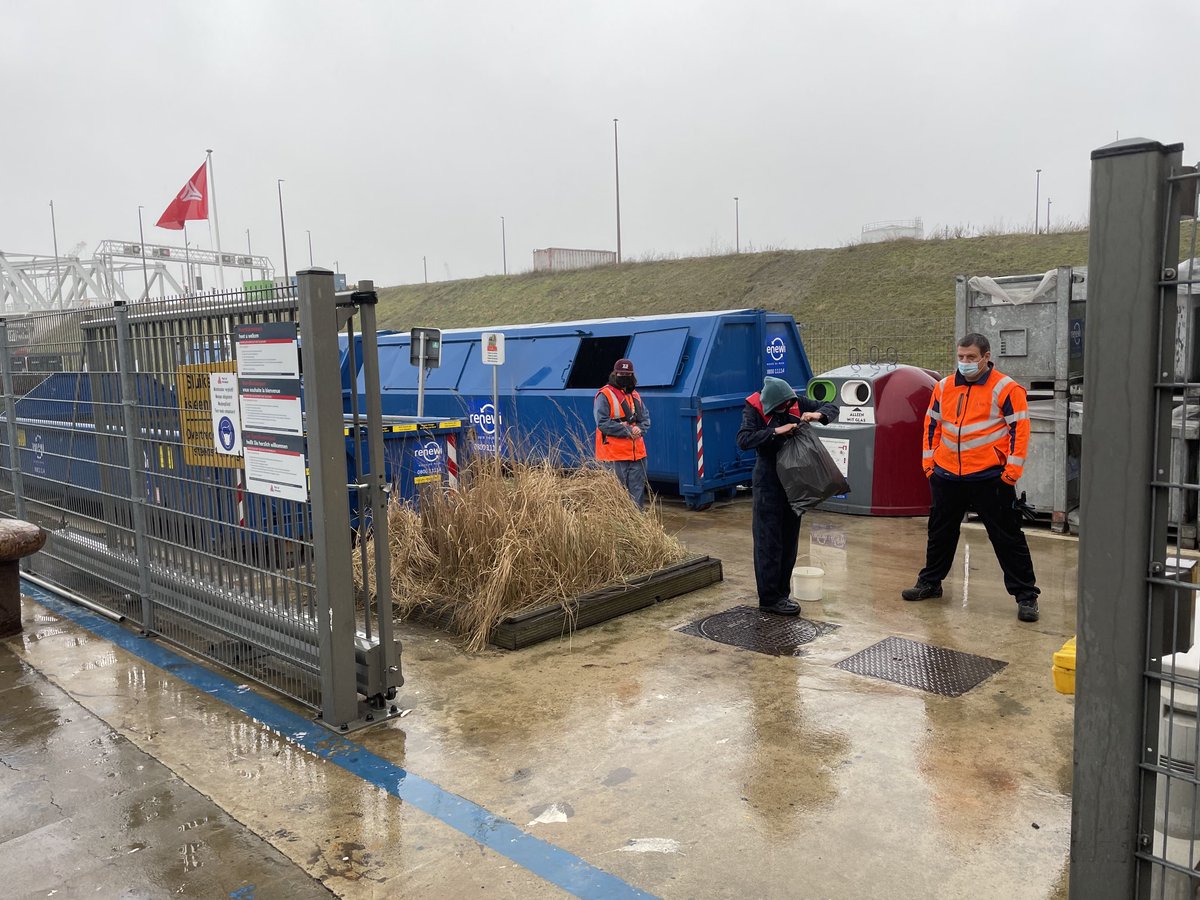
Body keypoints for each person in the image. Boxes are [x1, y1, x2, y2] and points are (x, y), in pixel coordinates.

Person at [901, 333, 1042, 621]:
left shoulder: (1006, 389)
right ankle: (930, 582)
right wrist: (930, 466)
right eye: (961, 356)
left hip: (991, 477)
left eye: (971, 358)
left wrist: (1010, 473)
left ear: (986, 357)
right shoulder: (943, 387)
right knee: (939, 533)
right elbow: (932, 426)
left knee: (1007, 538)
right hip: (946, 474)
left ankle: (1026, 595)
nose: (964, 362)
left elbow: (1020, 431)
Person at [736, 376, 838, 616]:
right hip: (768, 479)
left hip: (794, 480)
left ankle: (783, 594)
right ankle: (769, 598)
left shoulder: (795, 401)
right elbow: (744, 440)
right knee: (768, 541)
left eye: (786, 406)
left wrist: (818, 415)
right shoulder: (754, 407)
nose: (785, 410)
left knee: (789, 539)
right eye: (779, 408)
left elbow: (832, 406)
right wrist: (775, 431)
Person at [594, 358, 651, 508]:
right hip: (615, 455)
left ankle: (636, 526)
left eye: (628, 374)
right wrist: (629, 430)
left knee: (637, 496)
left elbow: (645, 419)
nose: (625, 377)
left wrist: (641, 429)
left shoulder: (636, 396)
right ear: (615, 374)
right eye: (621, 374)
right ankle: (617, 527)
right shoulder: (604, 395)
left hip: (637, 455)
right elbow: (603, 423)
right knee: (616, 496)